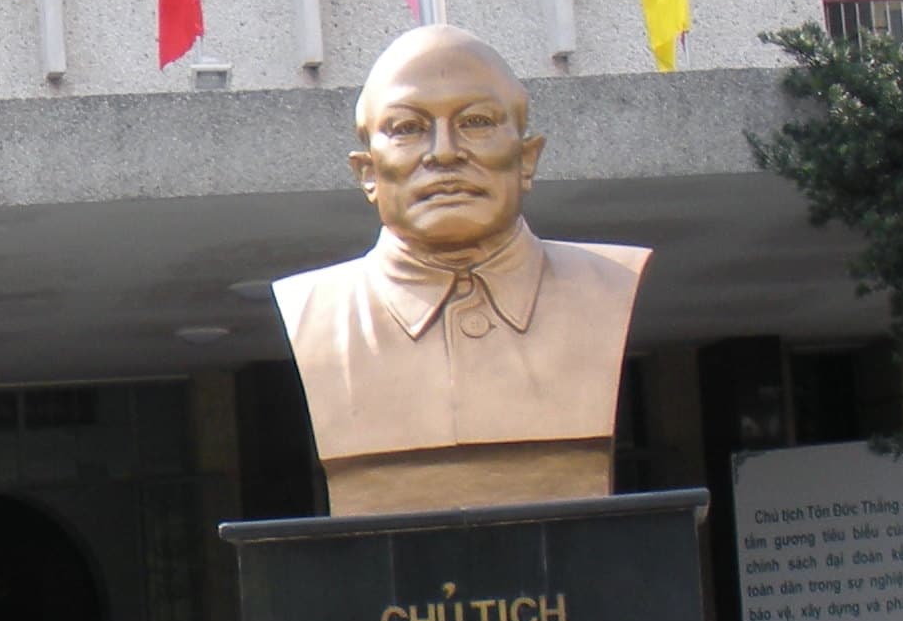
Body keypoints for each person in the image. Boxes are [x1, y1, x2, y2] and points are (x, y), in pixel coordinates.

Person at [274, 25, 650, 513]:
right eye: (408, 128)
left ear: (527, 158)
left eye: (476, 121)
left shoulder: (607, 285)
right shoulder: (315, 311)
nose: (445, 151)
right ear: (367, 172)